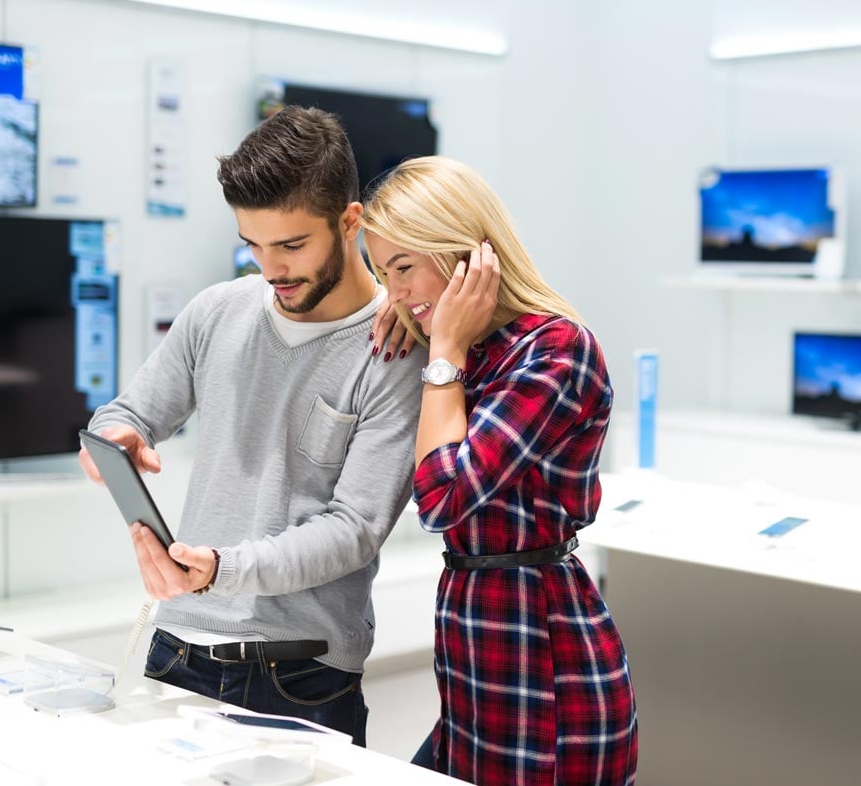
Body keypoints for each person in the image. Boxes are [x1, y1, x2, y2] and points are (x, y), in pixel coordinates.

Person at [78, 106, 424, 747]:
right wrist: (117, 439)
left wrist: (220, 568)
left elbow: (354, 531)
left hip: (296, 674)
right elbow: (124, 414)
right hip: (174, 651)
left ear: (350, 222)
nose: (271, 268)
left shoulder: (398, 353)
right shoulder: (217, 310)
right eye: (253, 245)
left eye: (292, 246)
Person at [362, 156, 638, 785]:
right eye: (383, 273)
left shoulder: (557, 348)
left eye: (404, 267)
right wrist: (410, 312)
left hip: (544, 650)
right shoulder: (464, 352)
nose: (395, 289)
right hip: (476, 641)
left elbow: (442, 496)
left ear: (463, 251)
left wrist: (443, 352)